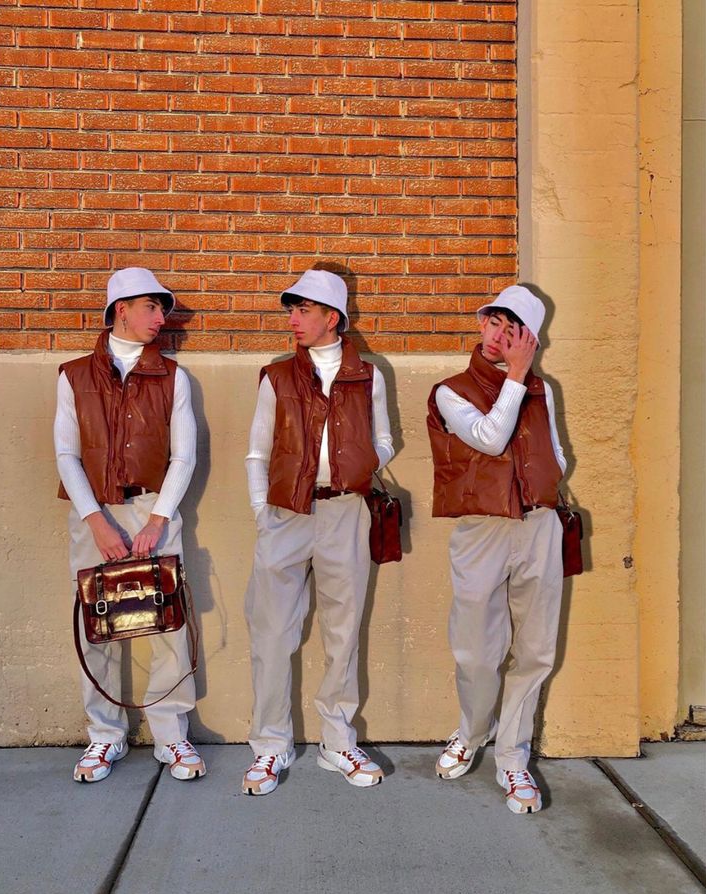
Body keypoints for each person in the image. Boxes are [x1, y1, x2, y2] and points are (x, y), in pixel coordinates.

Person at [242, 268, 395, 795]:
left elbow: (384, 442)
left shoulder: (369, 376)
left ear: (333, 317)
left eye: (303, 310)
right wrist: (264, 515)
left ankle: (336, 740)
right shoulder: (277, 375)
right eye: (292, 310)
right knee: (271, 633)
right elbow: (257, 451)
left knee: (343, 630)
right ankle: (268, 745)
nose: (293, 320)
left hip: (345, 513)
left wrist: (356, 461)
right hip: (286, 515)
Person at [55, 267, 206, 783]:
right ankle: (104, 737)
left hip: (152, 510)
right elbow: (65, 453)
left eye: (163, 309)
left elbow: (183, 457)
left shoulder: (172, 376)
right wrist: (95, 520)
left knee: (168, 623)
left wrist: (157, 520)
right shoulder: (73, 375)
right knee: (95, 626)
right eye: (151, 307)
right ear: (121, 308)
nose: (161, 318)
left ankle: (171, 735)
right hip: (92, 512)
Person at [426, 285, 567, 814]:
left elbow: (553, 452)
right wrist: (515, 376)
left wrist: (547, 486)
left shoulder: (542, 390)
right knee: (477, 652)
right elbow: (489, 436)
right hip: (482, 530)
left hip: (538, 525)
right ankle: (471, 730)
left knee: (535, 650)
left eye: (514, 329)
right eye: (494, 324)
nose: (499, 337)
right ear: (481, 324)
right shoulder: (450, 390)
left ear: (530, 338)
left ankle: (513, 755)